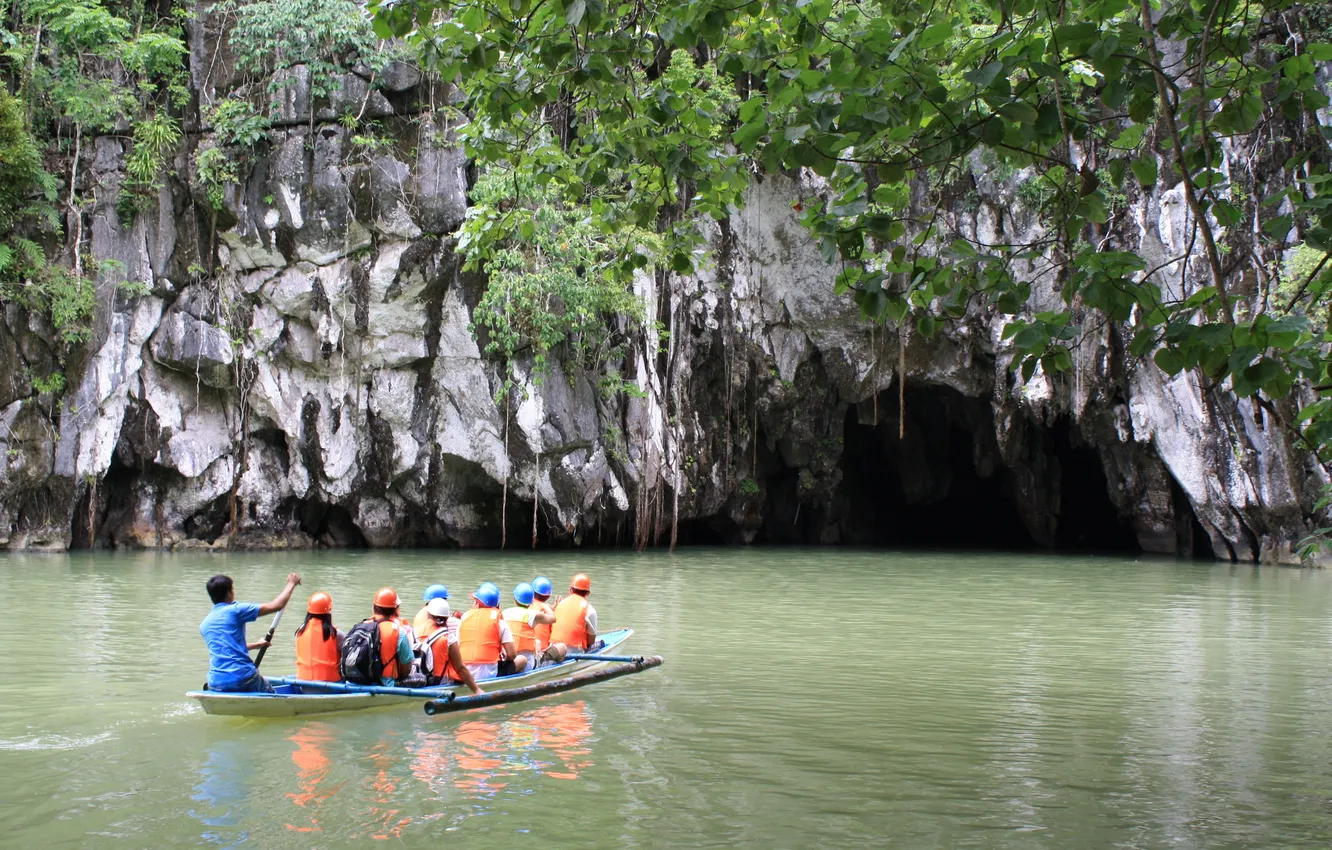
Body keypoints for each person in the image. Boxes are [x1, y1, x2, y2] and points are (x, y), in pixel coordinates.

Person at [199, 572, 301, 693]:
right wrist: (291, 583)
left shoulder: (205, 624)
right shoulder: (235, 610)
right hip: (243, 678)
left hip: (215, 683)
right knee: (270, 691)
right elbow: (277, 605)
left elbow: (226, 649)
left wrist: (257, 645)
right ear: (229, 593)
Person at [458, 582, 525, 680]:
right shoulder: (500, 623)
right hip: (489, 675)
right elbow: (512, 655)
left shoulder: (464, 618)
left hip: (464, 674)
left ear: (477, 603)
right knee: (522, 660)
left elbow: (457, 646)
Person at [417, 597, 484, 695]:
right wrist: (476, 689)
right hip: (439, 682)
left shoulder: (413, 633)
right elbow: (460, 668)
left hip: (419, 681)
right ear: (447, 617)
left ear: (428, 614)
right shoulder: (448, 637)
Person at [503, 583, 559, 669]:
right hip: (528, 664)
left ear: (515, 599)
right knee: (561, 647)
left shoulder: (505, 613)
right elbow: (553, 618)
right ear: (531, 601)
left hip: (509, 661)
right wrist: (544, 606)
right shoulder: (533, 615)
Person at [367, 587, 415, 687]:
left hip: (362, 680)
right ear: (395, 610)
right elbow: (407, 668)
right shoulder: (399, 632)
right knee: (421, 678)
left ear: (374, 607)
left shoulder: (362, 626)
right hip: (386, 684)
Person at [294, 592, 342, 682]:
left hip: (303, 685)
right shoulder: (336, 634)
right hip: (331, 685)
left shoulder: (299, 632)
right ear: (329, 612)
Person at [551, 573, 598, 653]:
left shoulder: (559, 604)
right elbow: (591, 641)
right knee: (600, 642)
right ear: (588, 593)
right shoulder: (589, 610)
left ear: (570, 590)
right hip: (575, 651)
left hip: (554, 649)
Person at [530, 576, 562, 661]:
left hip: (528, 651)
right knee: (562, 647)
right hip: (542, 651)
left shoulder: (526, 607)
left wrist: (552, 608)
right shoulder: (550, 615)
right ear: (548, 596)